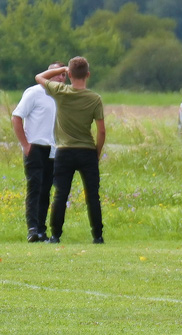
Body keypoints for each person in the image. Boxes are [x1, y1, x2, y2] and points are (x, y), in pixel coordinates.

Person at [35, 56, 106, 244]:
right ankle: (97, 235)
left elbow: (39, 77)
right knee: (92, 195)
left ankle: (55, 235)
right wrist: (96, 152)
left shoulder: (61, 92)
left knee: (60, 194)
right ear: (88, 75)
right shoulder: (94, 99)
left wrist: (61, 70)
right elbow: (101, 131)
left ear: (69, 74)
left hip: (64, 151)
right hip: (87, 150)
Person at [11, 62, 67, 242]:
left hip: (54, 148)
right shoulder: (34, 93)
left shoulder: (62, 96)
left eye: (63, 75)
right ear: (48, 74)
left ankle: (42, 230)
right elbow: (17, 117)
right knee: (34, 187)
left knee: (46, 189)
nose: (60, 77)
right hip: (36, 145)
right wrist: (25, 144)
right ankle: (32, 228)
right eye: (57, 73)